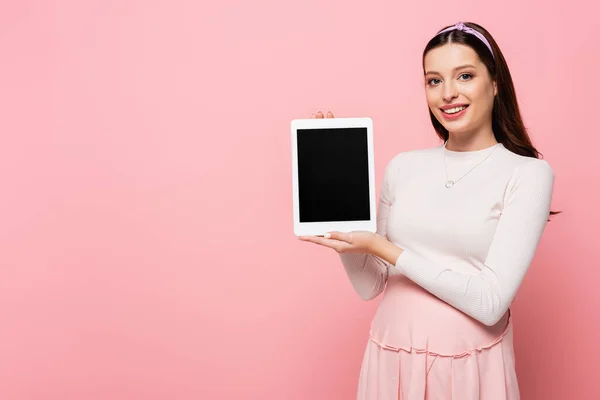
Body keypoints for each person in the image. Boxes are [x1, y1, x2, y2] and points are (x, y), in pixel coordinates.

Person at [299, 21, 558, 399]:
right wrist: (342, 208)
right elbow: (370, 285)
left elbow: (489, 303)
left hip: (469, 370)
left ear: (496, 81)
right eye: (434, 81)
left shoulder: (528, 173)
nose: (448, 94)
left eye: (465, 76)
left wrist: (383, 247)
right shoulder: (403, 166)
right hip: (390, 362)